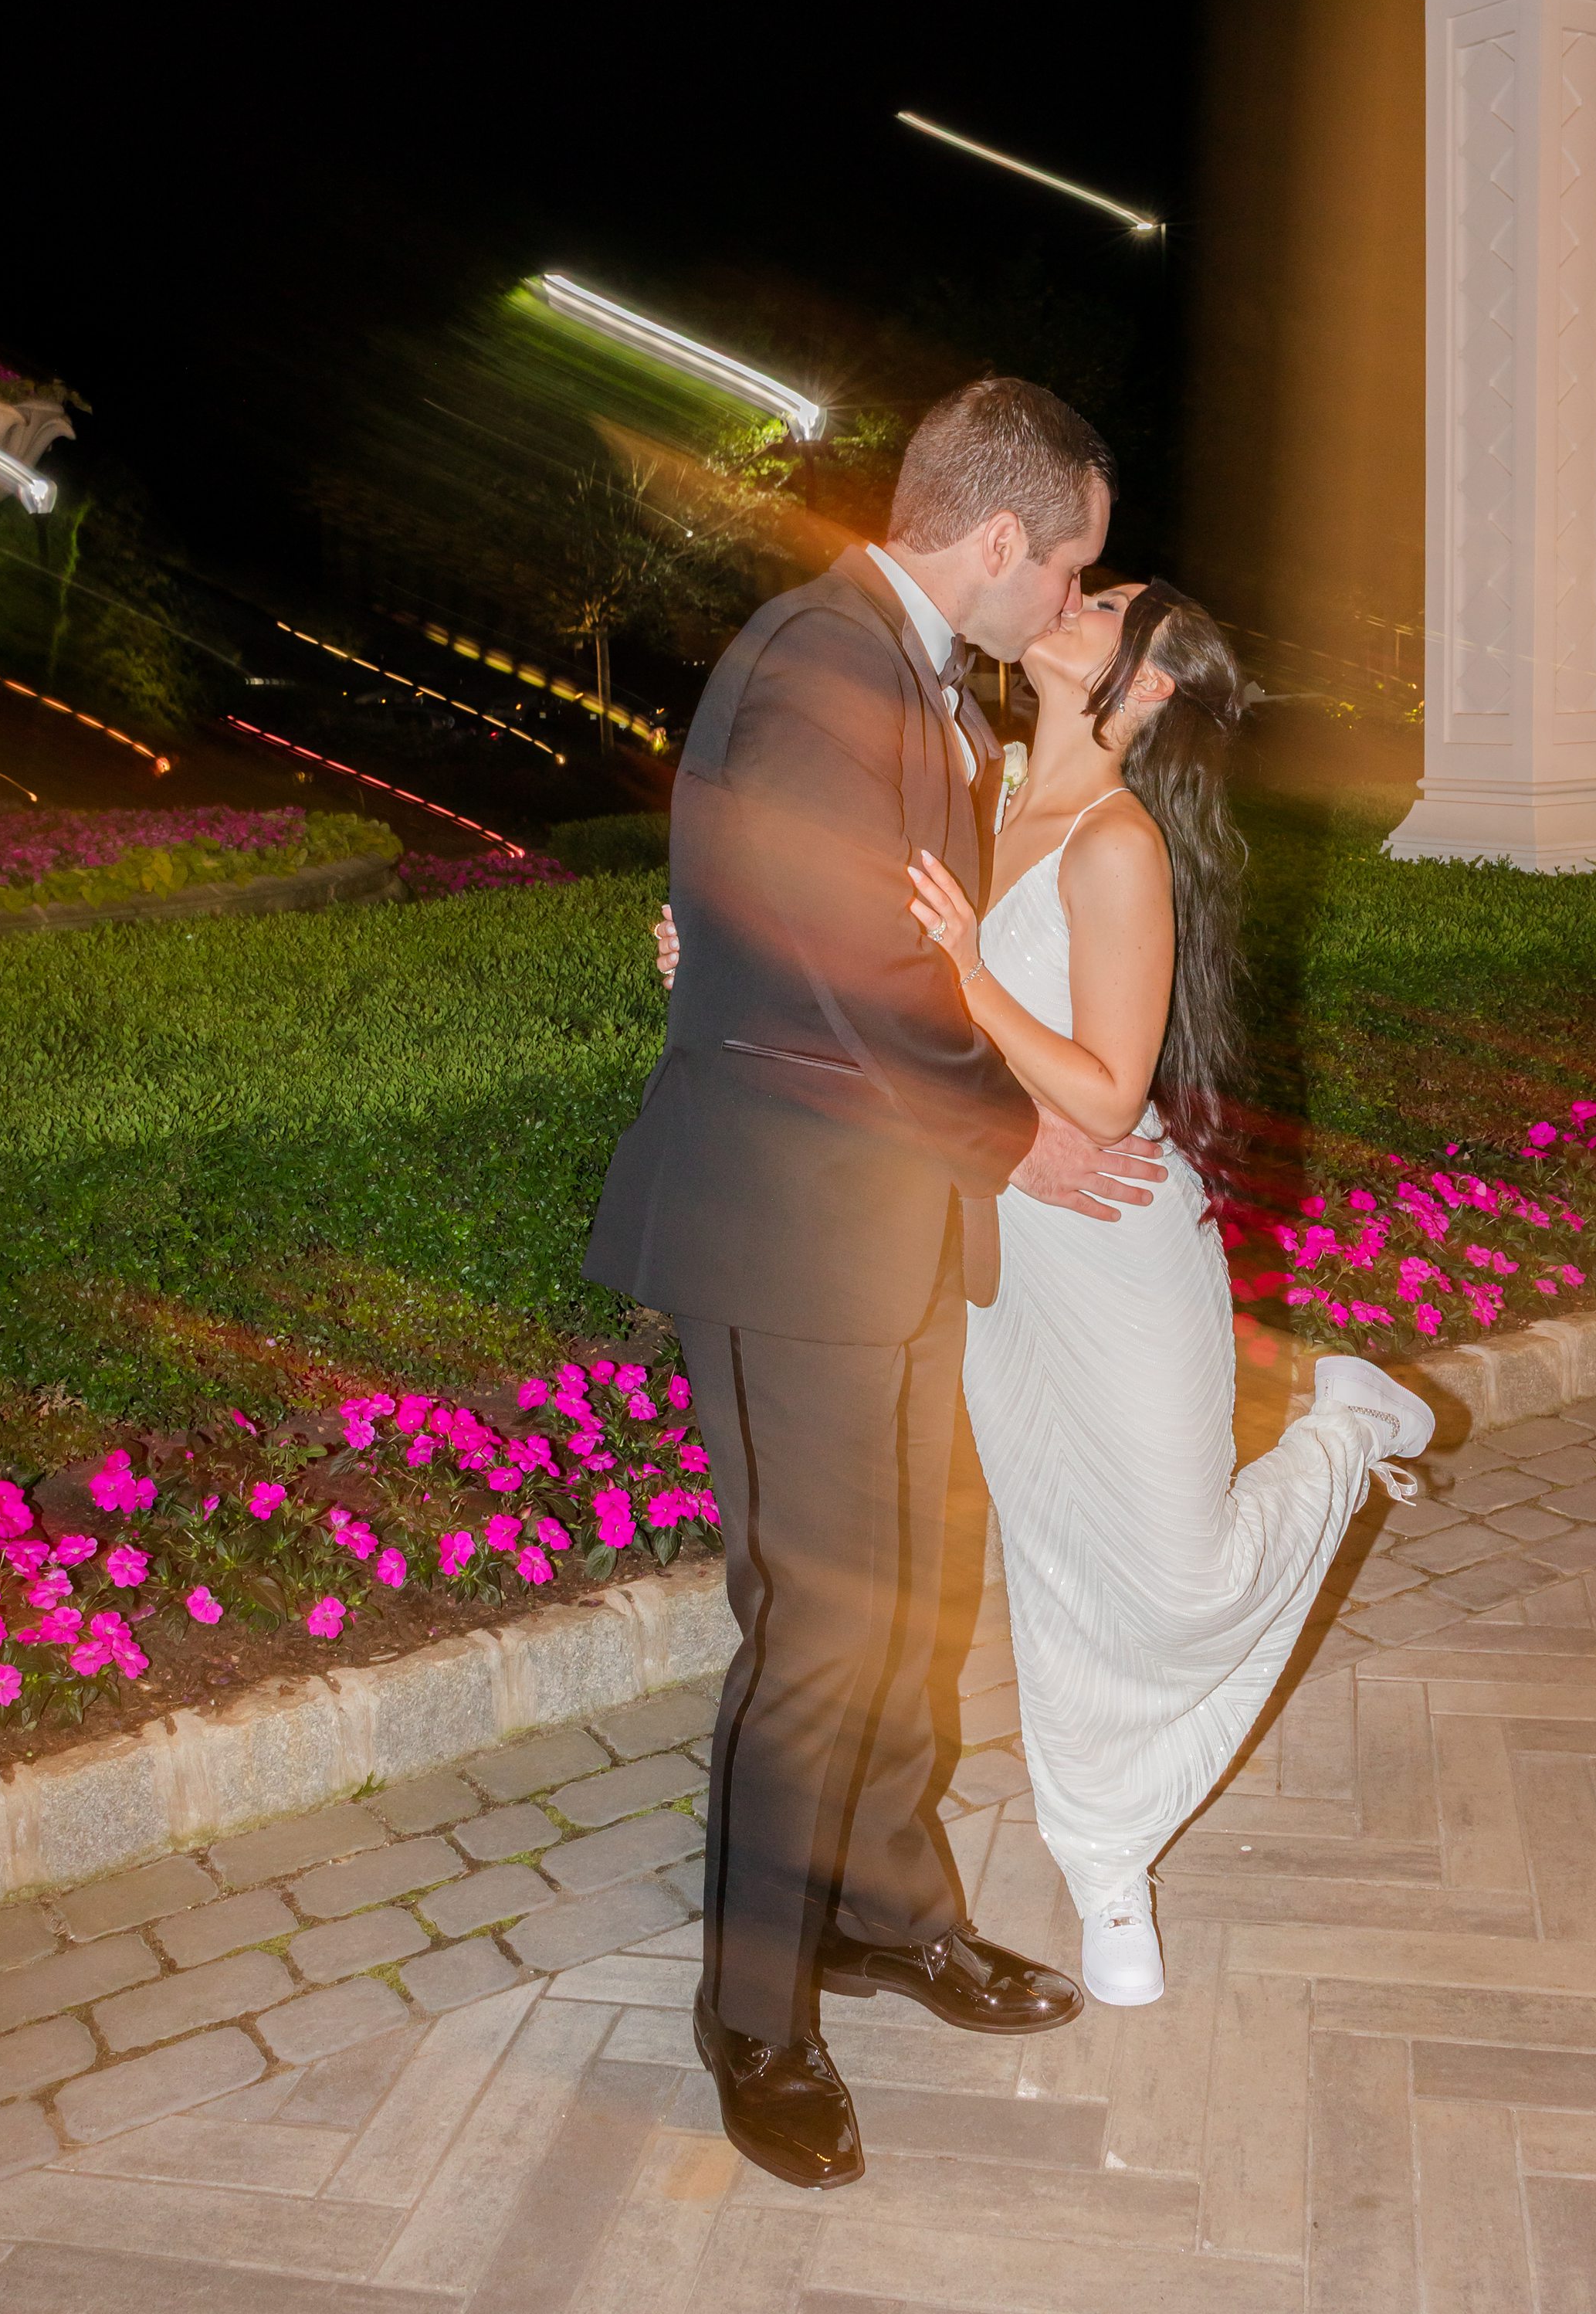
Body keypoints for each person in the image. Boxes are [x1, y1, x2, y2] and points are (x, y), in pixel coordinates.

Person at [585, 378, 1170, 2191]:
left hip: (892, 1230)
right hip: (787, 1236)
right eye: (1064, 563)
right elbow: (849, 967)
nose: (1065, 594)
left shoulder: (918, 677)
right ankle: (754, 2016)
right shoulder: (820, 661)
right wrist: (1021, 1143)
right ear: (997, 539)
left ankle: (887, 1912)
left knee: (910, 1596)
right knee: (822, 1632)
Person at [902, 577, 1433, 2005]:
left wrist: (968, 974)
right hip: (1004, 1249)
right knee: (1055, 1563)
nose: (1070, 598)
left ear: (1144, 689)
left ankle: (1343, 1432)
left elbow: (1106, 1091)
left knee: (1179, 1581)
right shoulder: (974, 781)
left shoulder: (1116, 841)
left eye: (1106, 606)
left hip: (1123, 1249)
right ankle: (1104, 1866)